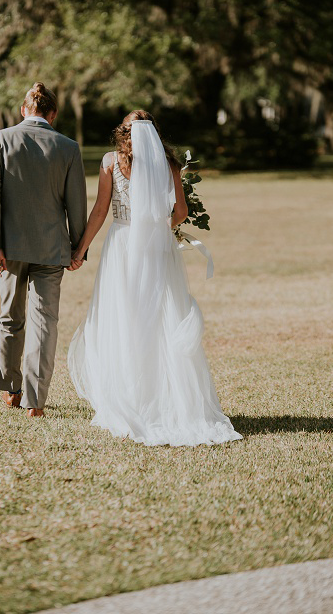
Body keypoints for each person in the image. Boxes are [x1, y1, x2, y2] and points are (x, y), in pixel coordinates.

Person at [67, 111, 242, 446]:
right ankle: (168, 401)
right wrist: (161, 229)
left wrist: (80, 250)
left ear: (125, 132)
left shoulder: (110, 162)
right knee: (161, 319)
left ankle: (131, 399)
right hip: (156, 249)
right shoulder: (169, 163)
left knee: (124, 319)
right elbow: (180, 212)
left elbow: (101, 211)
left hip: (121, 247)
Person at [0, 83, 88, 417]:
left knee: (10, 318)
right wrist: (78, 249)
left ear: (24, 110)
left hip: (9, 248)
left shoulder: (0, 139)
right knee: (45, 323)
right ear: (53, 114)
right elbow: (76, 204)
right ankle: (35, 401)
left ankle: (11, 390)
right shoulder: (68, 147)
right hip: (52, 248)